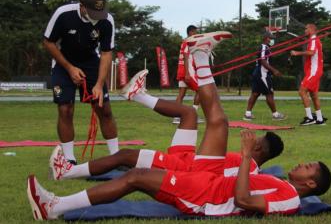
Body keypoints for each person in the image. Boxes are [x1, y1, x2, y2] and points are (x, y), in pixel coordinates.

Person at [28, 31, 331, 220]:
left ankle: (55, 206)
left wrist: (244, 158)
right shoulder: (279, 184)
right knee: (219, 121)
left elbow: (242, 201)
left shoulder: (289, 198)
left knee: (135, 175)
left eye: (308, 167)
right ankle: (200, 56)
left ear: (310, 185)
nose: (303, 164)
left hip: (205, 196)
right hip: (207, 177)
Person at [49, 69, 284, 180]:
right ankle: (137, 94)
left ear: (260, 150)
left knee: (126, 156)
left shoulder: (248, 169)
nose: (251, 139)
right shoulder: (247, 161)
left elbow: (212, 178)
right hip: (188, 157)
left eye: (257, 140)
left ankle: (67, 173)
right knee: (189, 113)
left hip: (183, 169)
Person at [42, 0, 118, 164]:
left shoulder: (107, 20)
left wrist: (99, 84)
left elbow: (106, 53)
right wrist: (69, 68)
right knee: (65, 109)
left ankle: (116, 157)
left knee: (104, 109)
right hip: (63, 63)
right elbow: (48, 42)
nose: (96, 16)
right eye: (92, 12)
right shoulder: (63, 14)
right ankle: (69, 160)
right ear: (82, 6)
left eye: (99, 12)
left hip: (91, 61)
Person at [244, 31, 285, 121]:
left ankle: (247, 114)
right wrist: (274, 70)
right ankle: (275, 115)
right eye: (271, 38)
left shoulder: (267, 48)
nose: (273, 40)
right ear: (267, 38)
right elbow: (263, 61)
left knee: (255, 93)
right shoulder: (264, 47)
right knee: (269, 93)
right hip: (262, 73)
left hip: (258, 72)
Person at [290, 24, 325, 126]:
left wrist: (297, 53)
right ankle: (319, 119)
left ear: (312, 29)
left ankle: (310, 118)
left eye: (306, 28)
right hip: (315, 70)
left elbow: (311, 52)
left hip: (314, 71)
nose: (305, 30)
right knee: (314, 95)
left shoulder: (313, 39)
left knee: (302, 91)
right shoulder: (314, 39)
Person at [174, 24, 201, 124]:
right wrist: (187, 73)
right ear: (190, 32)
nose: (196, 34)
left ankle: (176, 117)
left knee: (181, 94)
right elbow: (186, 57)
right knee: (200, 91)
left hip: (182, 70)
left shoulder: (185, 42)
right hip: (187, 71)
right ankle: (193, 115)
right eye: (195, 32)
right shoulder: (188, 42)